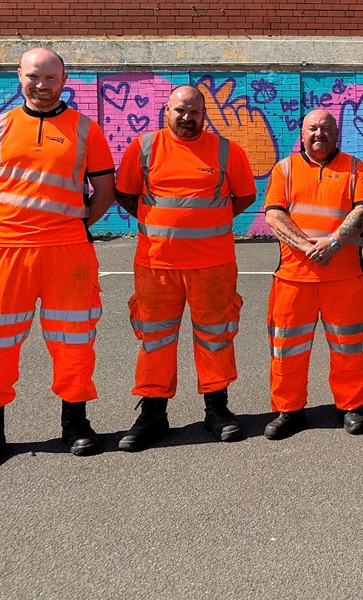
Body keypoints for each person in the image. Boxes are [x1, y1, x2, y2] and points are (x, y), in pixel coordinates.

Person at [0, 48, 116, 471]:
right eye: (33, 77)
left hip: (67, 251)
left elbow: (104, 192)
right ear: (20, 77)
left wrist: (73, 225)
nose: (41, 85)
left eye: (49, 77)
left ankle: (76, 422)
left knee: (74, 340)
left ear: (64, 79)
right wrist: (12, 226)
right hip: (4, 250)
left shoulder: (87, 130)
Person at [114, 84, 257, 451]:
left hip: (213, 265)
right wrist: (162, 225)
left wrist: (198, 226)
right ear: (166, 110)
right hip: (156, 264)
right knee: (155, 341)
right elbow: (126, 194)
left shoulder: (226, 150)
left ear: (204, 114)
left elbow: (244, 196)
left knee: (215, 338)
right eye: (180, 110)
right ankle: (153, 414)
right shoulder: (144, 148)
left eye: (194, 111)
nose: (187, 117)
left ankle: (217, 410)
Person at [262, 109, 363, 439]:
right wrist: (308, 246)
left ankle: (350, 407)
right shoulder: (284, 169)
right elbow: (273, 214)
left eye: (326, 128)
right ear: (301, 134)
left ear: (336, 134)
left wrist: (334, 242)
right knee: (287, 350)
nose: (319, 134)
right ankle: (289, 409)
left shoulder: (355, 168)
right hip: (293, 279)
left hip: (345, 279)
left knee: (349, 348)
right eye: (312, 128)